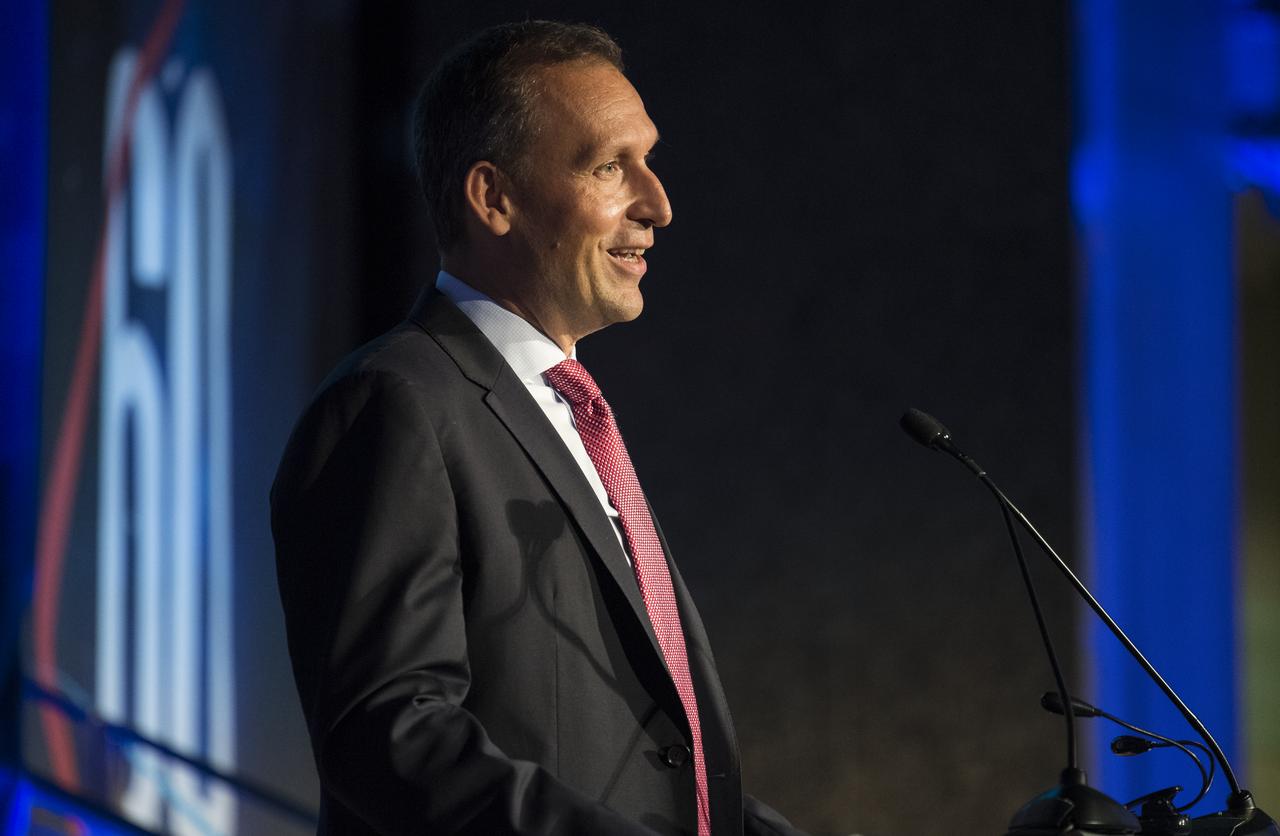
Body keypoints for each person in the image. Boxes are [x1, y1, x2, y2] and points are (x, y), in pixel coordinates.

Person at [271, 20, 805, 836]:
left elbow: (653, 772)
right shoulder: (397, 402)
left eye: (649, 160)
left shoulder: (572, 415)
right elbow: (389, 735)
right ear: (495, 199)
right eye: (608, 166)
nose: (657, 204)